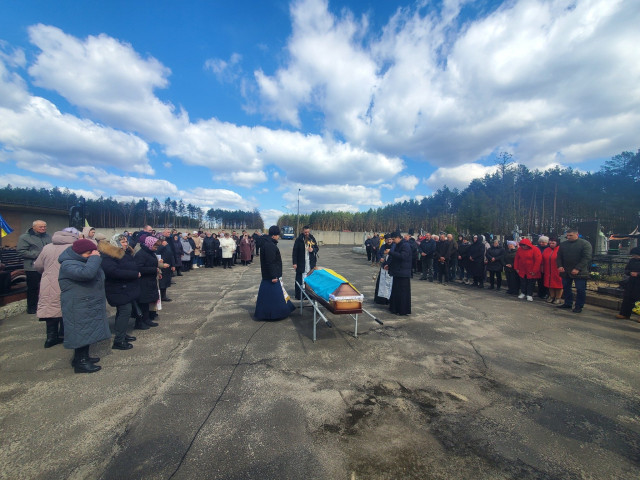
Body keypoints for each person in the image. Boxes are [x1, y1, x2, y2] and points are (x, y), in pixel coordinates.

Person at [58, 239, 110, 373]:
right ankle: (81, 362)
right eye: (88, 253)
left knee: (86, 331)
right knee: (80, 332)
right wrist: (94, 258)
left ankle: (82, 357)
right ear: (78, 253)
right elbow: (87, 274)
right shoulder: (68, 264)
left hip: (85, 303)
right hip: (77, 305)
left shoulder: (83, 261)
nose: (91, 255)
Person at [33, 227, 78, 348]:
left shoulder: (47, 247)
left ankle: (51, 337)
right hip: (68, 281)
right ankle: (65, 333)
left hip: (48, 282)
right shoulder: (74, 247)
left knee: (50, 308)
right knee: (67, 307)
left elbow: (38, 265)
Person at [99, 234, 140, 350]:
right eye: (123, 242)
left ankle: (122, 334)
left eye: (126, 241)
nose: (126, 244)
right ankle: (119, 341)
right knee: (125, 311)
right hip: (117, 289)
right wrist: (133, 274)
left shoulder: (123, 253)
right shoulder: (109, 256)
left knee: (123, 312)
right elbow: (113, 272)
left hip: (124, 288)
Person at [254, 226, 295, 320]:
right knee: (275, 296)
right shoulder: (269, 245)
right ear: (273, 235)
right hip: (271, 276)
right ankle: (276, 314)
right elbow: (270, 262)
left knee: (270, 296)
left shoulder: (268, 243)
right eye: (277, 235)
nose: (278, 237)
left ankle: (269, 312)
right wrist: (274, 276)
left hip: (269, 274)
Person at [17, 220, 52, 314]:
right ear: (34, 227)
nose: (43, 228)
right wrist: (39, 254)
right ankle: (32, 308)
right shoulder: (25, 237)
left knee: (46, 287)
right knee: (33, 288)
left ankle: (44, 306)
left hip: (46, 266)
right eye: (41, 227)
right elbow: (21, 252)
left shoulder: (48, 236)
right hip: (32, 267)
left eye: (44, 226)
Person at [556, 229, 592, 313]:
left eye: (570, 235)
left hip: (580, 271)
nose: (568, 237)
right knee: (566, 287)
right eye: (567, 236)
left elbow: (586, 257)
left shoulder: (585, 244)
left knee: (580, 289)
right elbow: (559, 257)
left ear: (577, 235)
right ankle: (568, 303)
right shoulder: (563, 244)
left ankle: (579, 306)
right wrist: (560, 266)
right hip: (566, 270)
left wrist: (577, 268)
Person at [134, 236, 161, 329]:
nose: (156, 248)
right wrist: (154, 269)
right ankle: (140, 321)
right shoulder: (141, 254)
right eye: (155, 246)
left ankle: (146, 319)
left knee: (147, 302)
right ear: (149, 245)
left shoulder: (150, 253)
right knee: (143, 302)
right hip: (143, 281)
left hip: (150, 280)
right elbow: (138, 268)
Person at [386, 232, 412, 315]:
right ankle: (395, 308)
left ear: (398, 237)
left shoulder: (405, 245)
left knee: (403, 293)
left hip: (403, 272)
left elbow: (403, 256)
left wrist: (390, 252)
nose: (393, 241)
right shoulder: (397, 245)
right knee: (396, 291)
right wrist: (389, 265)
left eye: (394, 239)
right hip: (397, 271)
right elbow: (395, 258)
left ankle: (402, 310)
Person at [292, 225, 319, 300]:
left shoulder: (312, 238)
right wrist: (294, 263)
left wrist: (312, 250)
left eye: (308, 232)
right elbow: (295, 252)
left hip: (310, 262)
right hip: (301, 262)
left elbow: (317, 248)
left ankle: (309, 294)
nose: (307, 234)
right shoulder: (299, 240)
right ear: (302, 231)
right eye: (305, 232)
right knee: (300, 278)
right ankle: (299, 295)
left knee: (310, 277)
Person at [616, 246, 640, 321]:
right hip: (631, 281)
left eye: (635, 255)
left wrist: (638, 274)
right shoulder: (632, 261)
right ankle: (624, 313)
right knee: (627, 298)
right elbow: (626, 270)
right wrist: (630, 273)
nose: (634, 256)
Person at [541, 238, 563, 304]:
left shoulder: (561, 249)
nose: (551, 244)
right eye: (550, 243)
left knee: (558, 284)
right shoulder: (546, 250)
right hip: (548, 269)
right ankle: (552, 296)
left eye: (553, 243)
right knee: (549, 283)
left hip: (557, 269)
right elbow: (542, 259)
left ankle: (558, 298)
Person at [374, 235, 394, 304]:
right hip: (383, 267)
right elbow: (378, 253)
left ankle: (388, 299)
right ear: (385, 240)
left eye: (390, 239)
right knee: (381, 283)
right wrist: (380, 258)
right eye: (388, 240)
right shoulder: (383, 246)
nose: (389, 241)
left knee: (389, 284)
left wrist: (388, 264)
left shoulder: (394, 246)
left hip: (390, 268)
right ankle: (381, 299)